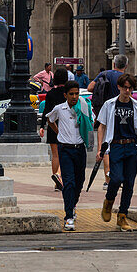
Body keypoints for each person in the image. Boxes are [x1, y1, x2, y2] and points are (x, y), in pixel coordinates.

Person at [97, 73, 137, 231]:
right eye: (124, 87)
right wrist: (101, 148)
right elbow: (102, 126)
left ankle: (122, 216)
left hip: (131, 146)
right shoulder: (109, 104)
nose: (127, 91)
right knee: (115, 178)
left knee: (129, 183)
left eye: (130, 88)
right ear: (119, 87)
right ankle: (109, 202)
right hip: (116, 146)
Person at [47, 80, 92, 231]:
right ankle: (68, 217)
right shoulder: (60, 109)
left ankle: (72, 205)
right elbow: (50, 119)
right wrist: (59, 133)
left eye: (77, 93)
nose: (74, 96)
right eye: (71, 94)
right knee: (69, 182)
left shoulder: (84, 106)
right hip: (65, 149)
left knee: (80, 181)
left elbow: (92, 121)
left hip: (80, 149)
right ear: (65, 95)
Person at [88, 53, 129, 191]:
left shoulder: (104, 74)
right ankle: (119, 176)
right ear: (126, 66)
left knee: (106, 145)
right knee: (120, 144)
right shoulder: (125, 79)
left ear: (114, 64)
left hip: (105, 112)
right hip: (122, 113)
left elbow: (89, 88)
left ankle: (107, 179)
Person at [39, 67, 68, 192]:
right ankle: (61, 177)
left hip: (52, 125)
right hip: (65, 126)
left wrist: (42, 126)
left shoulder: (50, 94)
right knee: (65, 153)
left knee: (55, 155)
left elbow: (46, 111)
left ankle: (57, 182)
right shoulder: (68, 93)